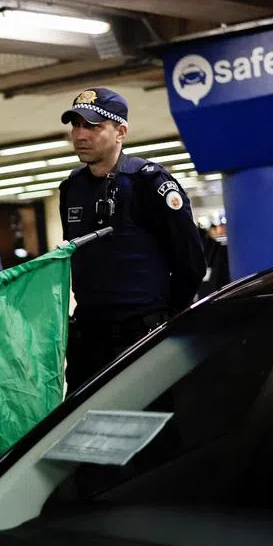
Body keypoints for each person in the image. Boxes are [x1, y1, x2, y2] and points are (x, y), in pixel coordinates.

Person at [58, 87, 205, 392]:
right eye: (76, 125)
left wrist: (166, 320)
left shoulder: (148, 183)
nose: (80, 134)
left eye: (93, 126)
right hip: (88, 338)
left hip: (142, 334)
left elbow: (191, 263)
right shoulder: (72, 188)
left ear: (120, 131)